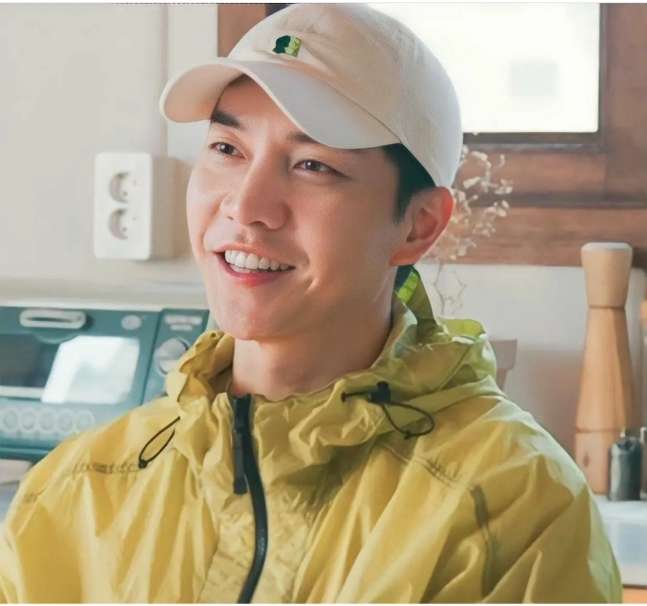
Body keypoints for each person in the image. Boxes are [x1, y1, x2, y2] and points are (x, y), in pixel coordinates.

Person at [0, 3, 621, 603]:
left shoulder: (511, 504)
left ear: (419, 226)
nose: (246, 206)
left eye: (312, 165)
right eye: (227, 149)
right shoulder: (75, 488)